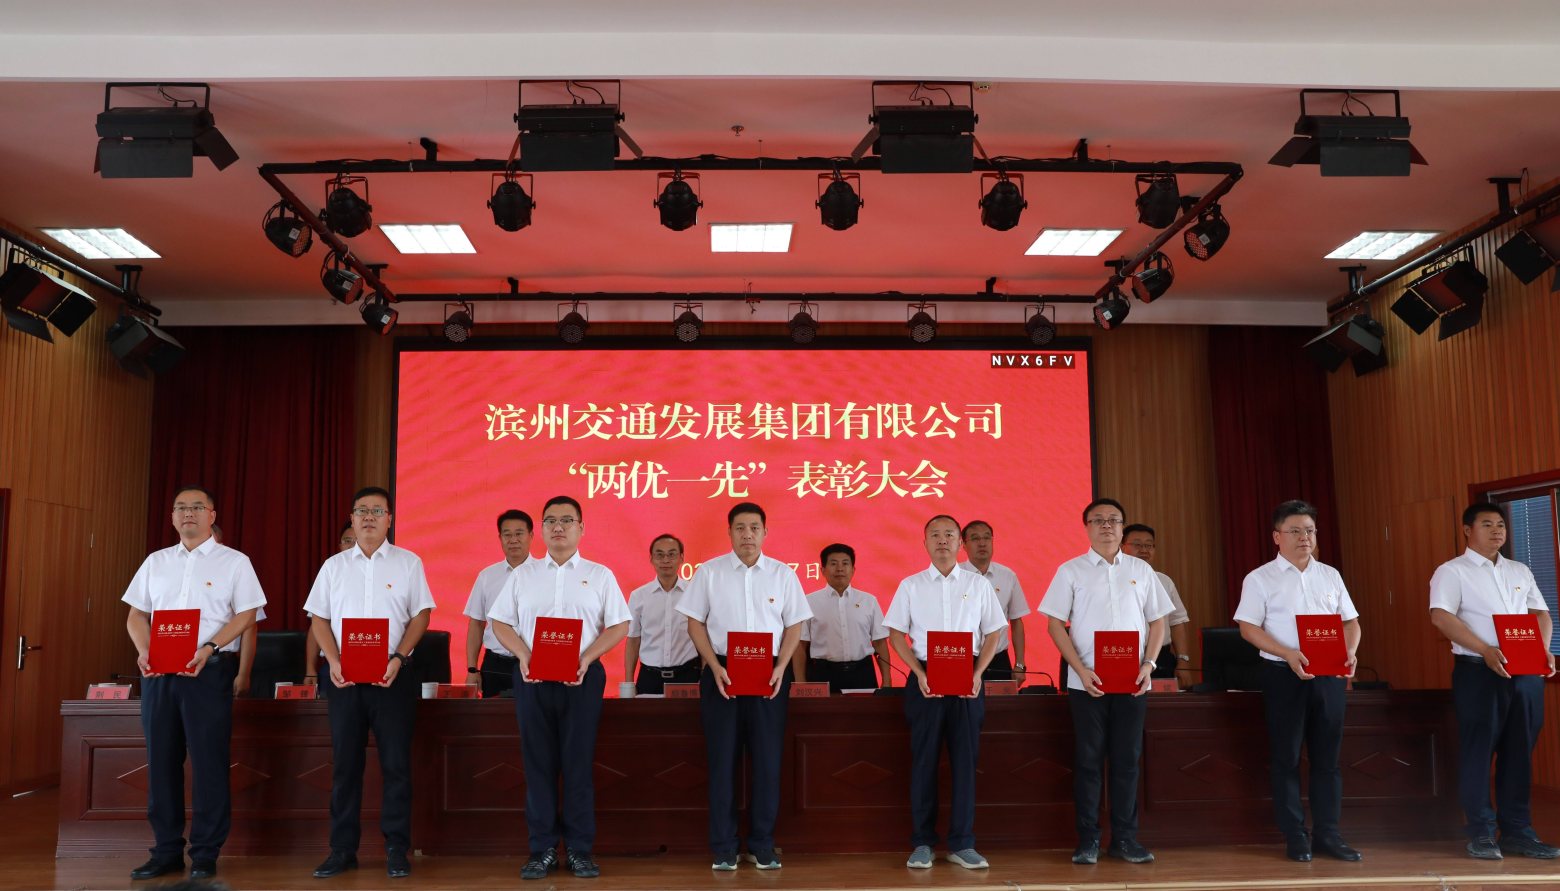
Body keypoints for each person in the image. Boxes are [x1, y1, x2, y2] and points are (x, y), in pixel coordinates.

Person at [122, 485, 265, 881]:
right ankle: (166, 850)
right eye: (181, 507)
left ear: (211, 515)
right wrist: (145, 650)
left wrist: (210, 646)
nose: (189, 513)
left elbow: (248, 614)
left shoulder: (234, 562)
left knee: (209, 762)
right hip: (159, 674)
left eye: (197, 507)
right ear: (172, 517)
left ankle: (205, 852)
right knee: (161, 763)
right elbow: (136, 616)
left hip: (208, 671)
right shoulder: (156, 562)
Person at [488, 496, 628, 880]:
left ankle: (580, 850)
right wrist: (523, 655)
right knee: (538, 766)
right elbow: (500, 622)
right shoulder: (523, 575)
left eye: (567, 520)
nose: (558, 527)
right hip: (533, 679)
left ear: (581, 528)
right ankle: (542, 849)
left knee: (578, 765)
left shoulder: (600, 575)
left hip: (582, 679)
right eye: (550, 520)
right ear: (542, 529)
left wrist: (587, 658)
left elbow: (619, 625)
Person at [303, 487, 434, 880]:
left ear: (389, 519)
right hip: (344, 678)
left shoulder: (408, 563)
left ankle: (396, 849)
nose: (369, 517)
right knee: (345, 766)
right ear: (352, 518)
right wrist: (333, 660)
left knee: (396, 765)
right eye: (362, 510)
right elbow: (319, 618)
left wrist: (400, 657)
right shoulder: (334, 566)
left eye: (378, 511)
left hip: (393, 676)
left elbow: (421, 615)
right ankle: (342, 849)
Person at [677, 502, 811, 871]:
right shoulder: (709, 572)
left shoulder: (783, 574)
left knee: (767, 762)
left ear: (765, 532)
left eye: (754, 527)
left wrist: (782, 666)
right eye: (740, 528)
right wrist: (714, 665)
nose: (747, 534)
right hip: (723, 671)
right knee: (722, 761)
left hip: (770, 674)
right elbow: (694, 623)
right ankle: (724, 846)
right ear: (730, 532)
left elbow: (795, 625)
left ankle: (762, 844)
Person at [1040, 497, 1170, 866]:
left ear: (1122, 528)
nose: (1107, 526)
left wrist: (1149, 663)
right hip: (1088, 684)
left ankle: (1125, 839)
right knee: (1089, 761)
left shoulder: (1141, 570)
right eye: (1098, 520)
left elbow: (1158, 621)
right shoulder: (1071, 571)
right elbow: (1054, 624)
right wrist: (1079, 670)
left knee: (1127, 761)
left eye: (1114, 520)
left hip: (1133, 681)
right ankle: (1088, 840)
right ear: (1087, 528)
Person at [1429, 502, 1560, 860]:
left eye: (1500, 524)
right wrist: (1485, 649)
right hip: (1479, 671)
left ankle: (1518, 832)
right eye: (1487, 524)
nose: (1497, 530)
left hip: (1525, 672)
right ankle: (1482, 832)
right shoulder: (1451, 571)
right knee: (1478, 751)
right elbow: (1441, 616)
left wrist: (1542, 650)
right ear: (1467, 530)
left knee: (1520, 752)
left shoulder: (1519, 570)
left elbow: (1540, 613)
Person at [1235, 499, 1362, 863]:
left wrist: (1350, 651)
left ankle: (1328, 834)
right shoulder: (1260, 578)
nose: (1304, 537)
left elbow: (1350, 622)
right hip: (1283, 675)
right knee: (1286, 758)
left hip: (1328, 676)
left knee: (1328, 760)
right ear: (1277, 536)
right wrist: (1287, 653)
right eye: (1295, 531)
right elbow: (1247, 628)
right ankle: (1295, 835)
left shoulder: (1330, 575)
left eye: (1309, 530)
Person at [885, 515, 1004, 870]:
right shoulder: (911, 585)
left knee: (965, 764)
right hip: (926, 679)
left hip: (967, 679)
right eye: (934, 535)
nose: (942, 540)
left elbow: (994, 632)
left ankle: (962, 843)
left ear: (959, 543)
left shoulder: (978, 584)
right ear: (924, 543)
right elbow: (896, 635)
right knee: (924, 762)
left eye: (949, 534)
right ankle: (922, 842)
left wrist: (978, 673)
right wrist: (918, 672)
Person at [793, 543, 892, 691]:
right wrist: (800, 683)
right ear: (822, 570)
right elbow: (800, 645)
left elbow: (879, 643)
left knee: (867, 707)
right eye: (833, 564)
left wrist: (887, 681)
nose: (840, 569)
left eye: (845, 563)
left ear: (853, 570)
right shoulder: (808, 602)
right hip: (823, 673)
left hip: (862, 673)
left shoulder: (869, 601)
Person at [463, 510, 538, 697]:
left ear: (531, 535)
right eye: (507, 534)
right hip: (495, 664)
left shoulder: (545, 574)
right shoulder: (487, 576)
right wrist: (472, 669)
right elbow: (476, 624)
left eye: (519, 533)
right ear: (500, 538)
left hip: (534, 663)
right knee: (493, 715)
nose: (513, 540)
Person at [625, 534, 701, 695]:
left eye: (672, 554)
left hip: (688, 675)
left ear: (681, 558)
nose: (666, 560)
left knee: (688, 713)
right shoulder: (638, 596)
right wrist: (629, 682)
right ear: (651, 559)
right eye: (659, 555)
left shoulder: (694, 593)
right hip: (650, 677)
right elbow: (633, 641)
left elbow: (704, 638)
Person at [1121, 524, 1194, 689]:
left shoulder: (1164, 581)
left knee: (1162, 704)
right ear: (1122, 547)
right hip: (1124, 655)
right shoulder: (1112, 581)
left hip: (1161, 657)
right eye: (1137, 544)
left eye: (1149, 545)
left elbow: (1177, 622)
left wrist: (1183, 660)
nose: (1144, 550)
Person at [958, 521, 1031, 682]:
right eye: (975, 539)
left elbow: (1016, 621)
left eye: (986, 538)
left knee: (999, 699)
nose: (982, 543)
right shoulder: (954, 575)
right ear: (963, 545)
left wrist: (1020, 664)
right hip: (961, 657)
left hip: (998, 658)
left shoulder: (1007, 576)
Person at [305, 522, 358, 685]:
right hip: (335, 665)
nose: (352, 546)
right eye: (347, 541)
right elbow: (316, 625)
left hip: (380, 663)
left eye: (357, 541)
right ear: (340, 545)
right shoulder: (331, 570)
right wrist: (310, 670)